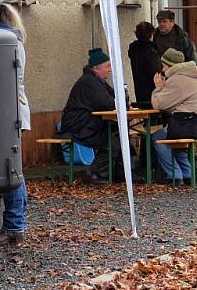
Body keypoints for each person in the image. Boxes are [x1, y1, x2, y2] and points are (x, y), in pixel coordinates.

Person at [0, 1, 30, 245]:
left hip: (8, 111)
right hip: (14, 109)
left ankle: (15, 223)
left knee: (11, 168)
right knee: (12, 167)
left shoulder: (3, 42)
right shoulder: (12, 39)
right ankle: (15, 222)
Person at [151, 48, 197, 184]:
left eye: (163, 65)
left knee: (158, 138)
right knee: (174, 136)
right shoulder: (192, 77)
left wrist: (158, 87)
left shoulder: (177, 80)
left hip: (195, 127)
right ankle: (187, 173)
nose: (162, 69)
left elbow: (158, 104)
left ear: (169, 66)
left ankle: (175, 174)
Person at [60, 48, 119, 184]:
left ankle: (112, 173)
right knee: (113, 142)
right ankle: (93, 173)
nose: (109, 70)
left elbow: (114, 97)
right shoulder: (89, 82)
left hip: (86, 124)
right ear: (96, 68)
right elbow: (107, 103)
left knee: (116, 135)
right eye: (107, 66)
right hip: (78, 126)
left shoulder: (97, 81)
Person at [128, 21, 162, 108]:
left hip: (139, 92)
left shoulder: (134, 51)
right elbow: (156, 74)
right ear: (151, 34)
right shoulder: (150, 52)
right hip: (152, 93)